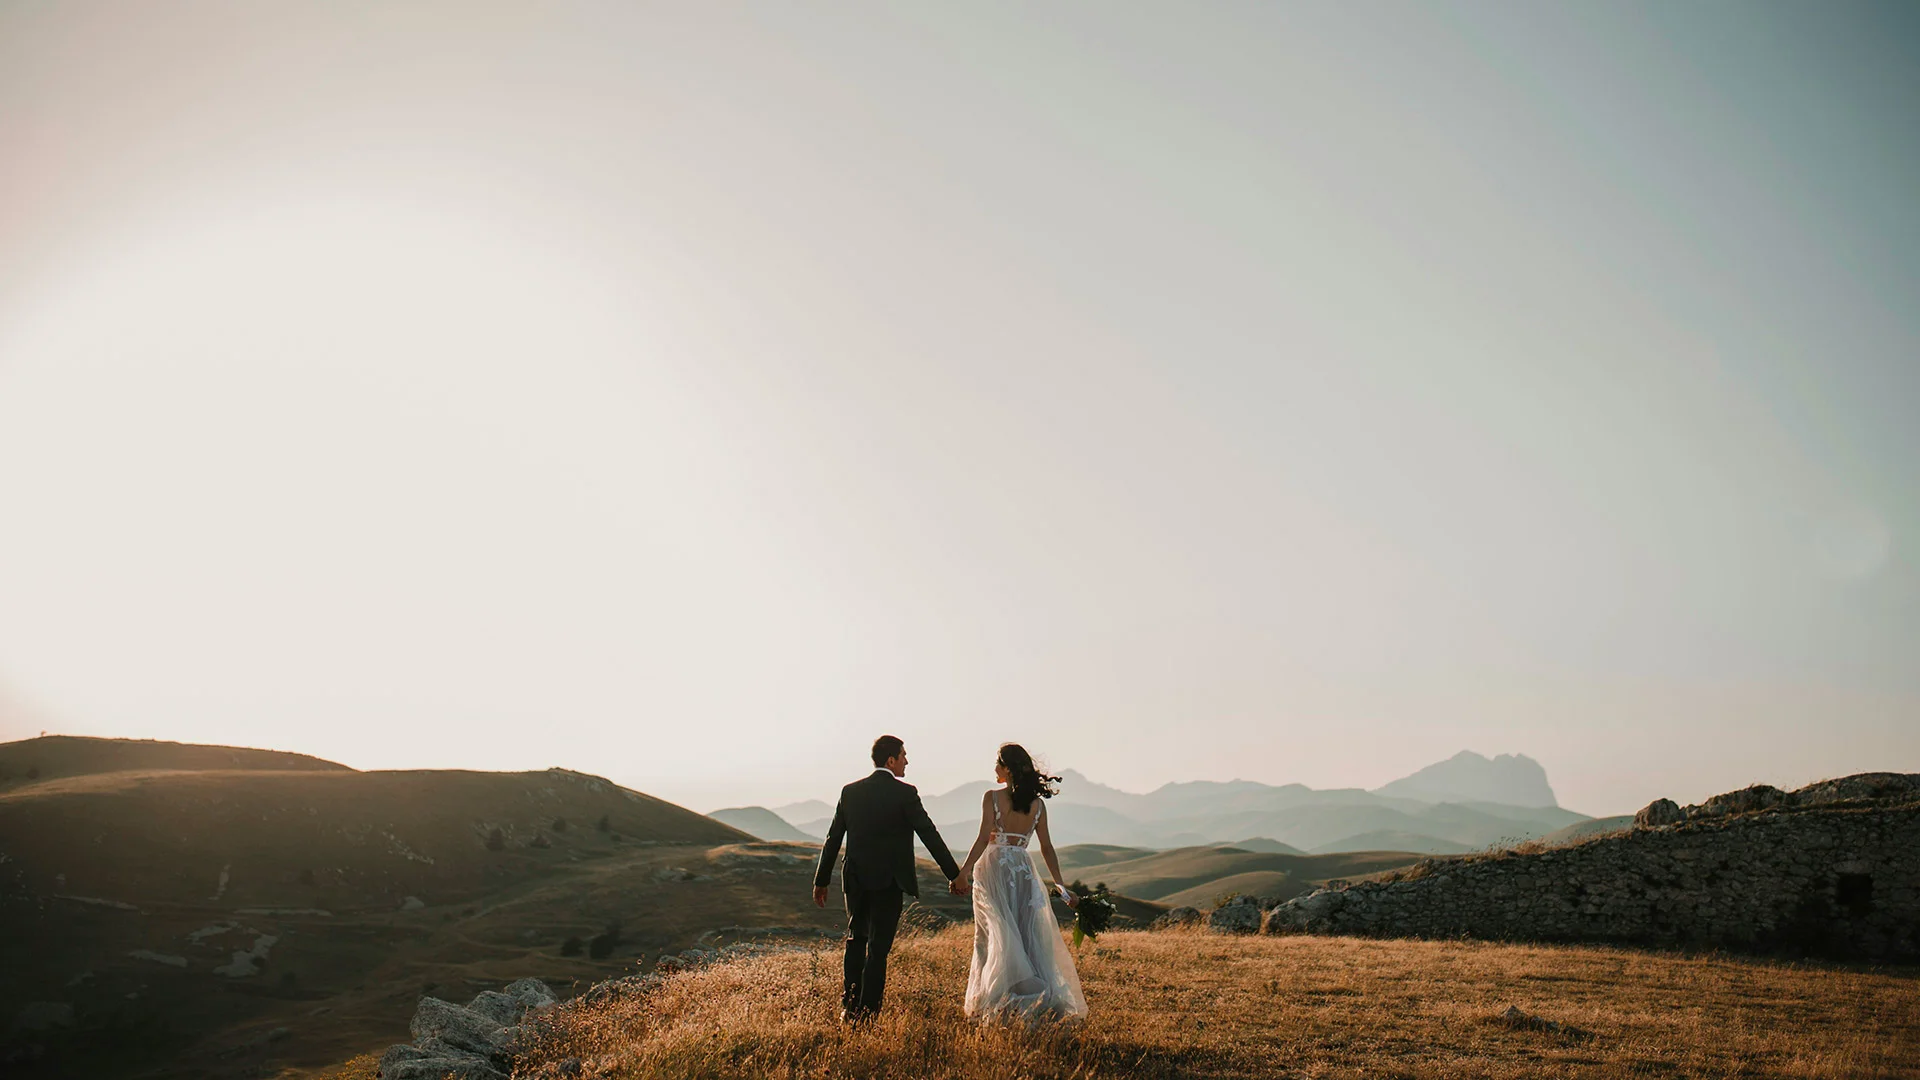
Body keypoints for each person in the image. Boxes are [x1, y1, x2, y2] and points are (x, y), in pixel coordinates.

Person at [812, 734, 961, 1021]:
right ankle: (868, 1012)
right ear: (891, 760)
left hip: (854, 880)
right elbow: (929, 834)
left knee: (856, 939)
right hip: (889, 883)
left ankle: (849, 1007)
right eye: (904, 755)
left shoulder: (849, 792)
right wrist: (954, 875)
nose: (907, 761)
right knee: (878, 949)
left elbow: (833, 838)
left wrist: (822, 879)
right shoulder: (905, 793)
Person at [950, 743, 1088, 1022]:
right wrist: (1061, 887)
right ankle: (1032, 998)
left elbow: (981, 839)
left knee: (993, 933)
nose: (995, 769)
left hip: (994, 870)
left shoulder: (991, 797)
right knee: (1025, 934)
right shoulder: (1038, 806)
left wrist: (964, 871)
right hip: (1023, 871)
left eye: (998, 764)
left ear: (1009, 769)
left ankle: (998, 999)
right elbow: (1047, 848)